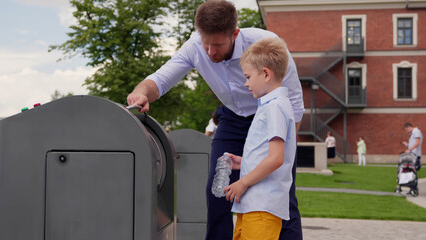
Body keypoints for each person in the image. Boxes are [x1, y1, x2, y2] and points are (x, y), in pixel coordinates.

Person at [126, 1, 305, 239]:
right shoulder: (194, 46)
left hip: (271, 118)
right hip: (232, 119)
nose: (210, 52)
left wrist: (285, 152)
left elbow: (293, 102)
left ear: (235, 34)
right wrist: (141, 92)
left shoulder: (267, 46)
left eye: (218, 44)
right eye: (205, 43)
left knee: (281, 193)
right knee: (217, 190)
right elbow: (160, 79)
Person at [223, 37, 296, 240]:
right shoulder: (269, 106)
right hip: (252, 206)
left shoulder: (275, 107)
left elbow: (276, 158)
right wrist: (244, 162)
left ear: (265, 74)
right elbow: (268, 153)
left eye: (247, 77)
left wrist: (242, 183)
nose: (246, 83)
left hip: (262, 207)